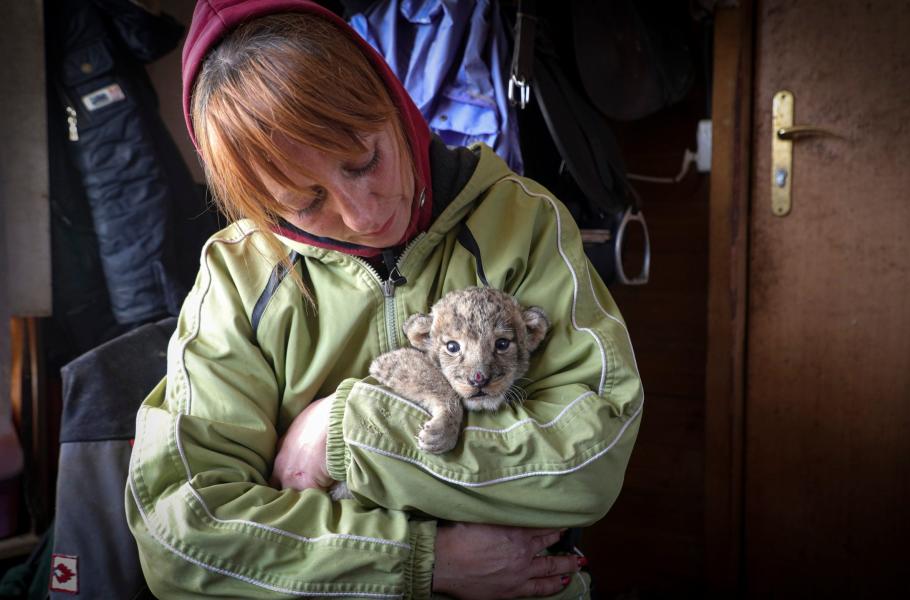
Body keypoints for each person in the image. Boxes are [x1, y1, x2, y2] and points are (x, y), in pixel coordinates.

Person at [124, 1, 643, 598]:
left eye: (365, 160)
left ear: (392, 98)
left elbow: (591, 462)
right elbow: (182, 538)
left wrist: (343, 435)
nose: (364, 214)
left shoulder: (521, 221)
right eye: (305, 201)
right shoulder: (237, 273)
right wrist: (422, 562)